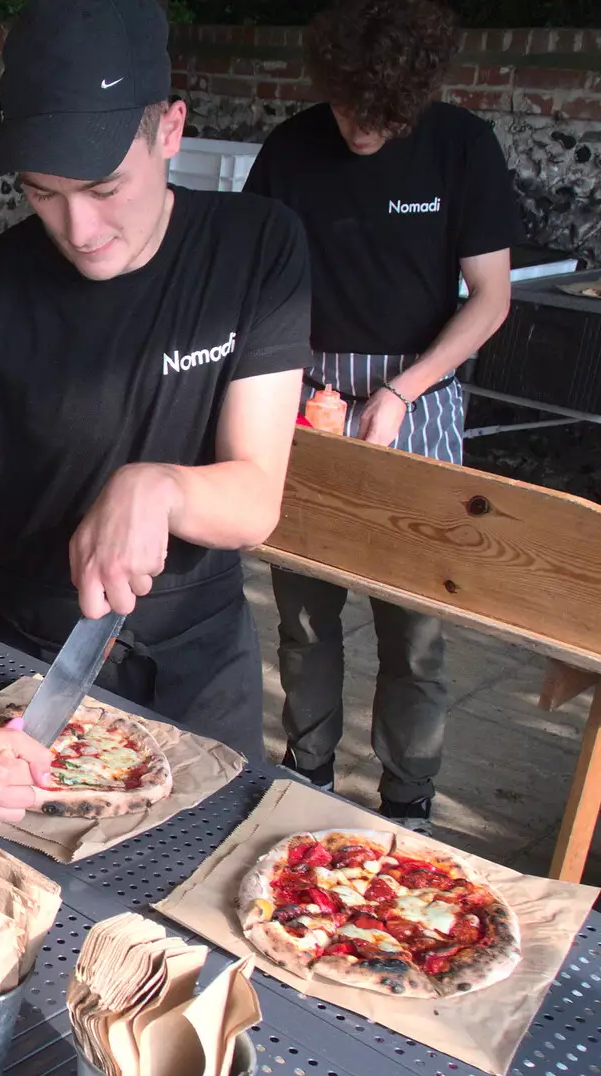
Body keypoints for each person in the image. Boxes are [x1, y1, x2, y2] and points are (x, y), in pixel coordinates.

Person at [0, 0, 313, 830]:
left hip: (204, 659)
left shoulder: (260, 248)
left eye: (106, 187)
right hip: (30, 657)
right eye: (43, 192)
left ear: (170, 130)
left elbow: (256, 498)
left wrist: (159, 486)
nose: (80, 228)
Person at [243, 0, 516, 833]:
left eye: (380, 116)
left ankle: (409, 801)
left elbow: (491, 300)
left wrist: (399, 393)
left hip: (420, 397)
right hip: (304, 394)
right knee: (303, 617)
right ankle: (311, 772)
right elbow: (258, 284)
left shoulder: (461, 147)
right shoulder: (291, 148)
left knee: (416, 629)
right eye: (346, 107)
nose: (360, 128)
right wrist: (285, 387)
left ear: (412, 97)